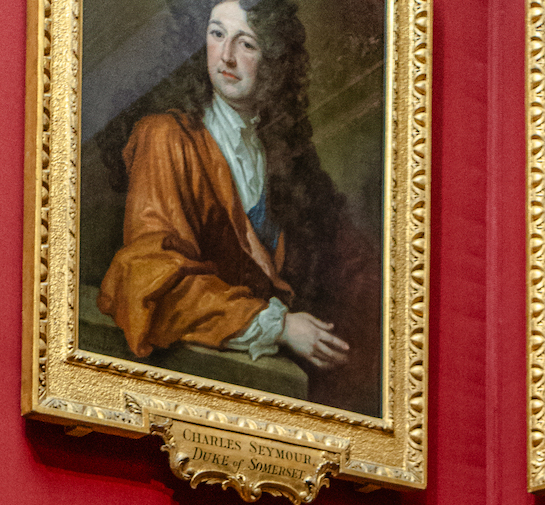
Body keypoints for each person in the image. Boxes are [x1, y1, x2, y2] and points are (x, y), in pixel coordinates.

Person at [96, 0, 379, 411]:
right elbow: (147, 275)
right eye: (216, 34)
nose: (226, 56)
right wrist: (278, 326)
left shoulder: (282, 157)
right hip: (190, 384)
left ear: (276, 61)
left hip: (268, 392)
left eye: (246, 43)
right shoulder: (165, 137)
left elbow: (351, 264)